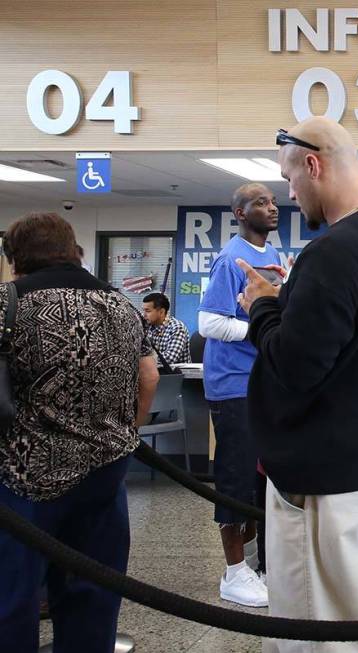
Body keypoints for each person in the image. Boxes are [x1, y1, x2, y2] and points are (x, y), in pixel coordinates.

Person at [237, 117, 358, 653]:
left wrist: (264, 307)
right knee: (344, 615)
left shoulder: (334, 251)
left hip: (321, 478)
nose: (290, 194)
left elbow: (296, 367)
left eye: (290, 179)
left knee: (315, 634)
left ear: (313, 165)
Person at [0, 213, 159, 652]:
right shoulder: (121, 306)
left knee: (11, 600)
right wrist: (126, 430)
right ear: (72, 250)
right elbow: (149, 376)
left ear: (15, 257)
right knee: (93, 598)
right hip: (105, 477)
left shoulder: (6, 303)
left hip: (22, 481)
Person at [198, 182, 282, 607]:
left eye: (272, 201)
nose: (272, 208)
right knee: (235, 477)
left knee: (266, 477)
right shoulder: (230, 259)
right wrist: (262, 326)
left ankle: (264, 563)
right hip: (233, 385)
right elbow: (210, 323)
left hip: (266, 382)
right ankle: (234, 573)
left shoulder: (274, 258)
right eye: (260, 203)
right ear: (239, 213)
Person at [142, 292, 191, 366]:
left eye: (148, 311)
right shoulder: (145, 326)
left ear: (161, 312)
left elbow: (170, 358)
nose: (144, 315)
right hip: (153, 372)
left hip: (175, 375)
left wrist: (142, 360)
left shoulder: (177, 328)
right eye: (143, 310)